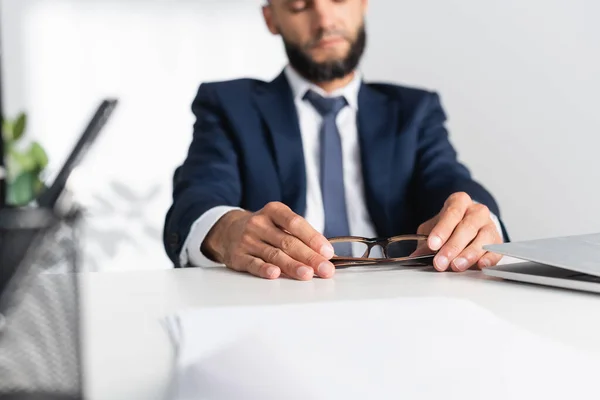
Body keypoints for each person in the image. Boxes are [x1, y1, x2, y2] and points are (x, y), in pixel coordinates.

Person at [163, 0, 509, 280]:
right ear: (272, 19)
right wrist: (225, 231)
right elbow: (199, 195)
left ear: (363, 4)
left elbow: (450, 179)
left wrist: (478, 217)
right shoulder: (229, 106)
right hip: (280, 295)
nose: (324, 19)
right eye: (300, 6)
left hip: (403, 297)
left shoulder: (414, 110)